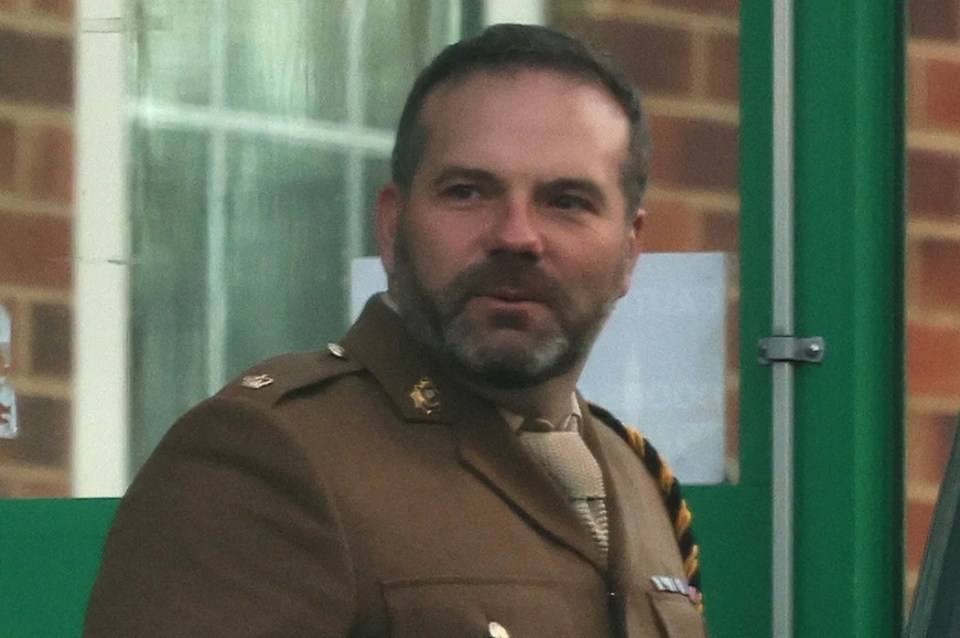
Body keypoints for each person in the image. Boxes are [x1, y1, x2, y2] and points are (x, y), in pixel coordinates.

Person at [84, 24, 707, 638]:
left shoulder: (635, 479)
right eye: (467, 191)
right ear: (391, 226)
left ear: (630, 252)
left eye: (567, 201)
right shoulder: (273, 456)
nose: (517, 235)